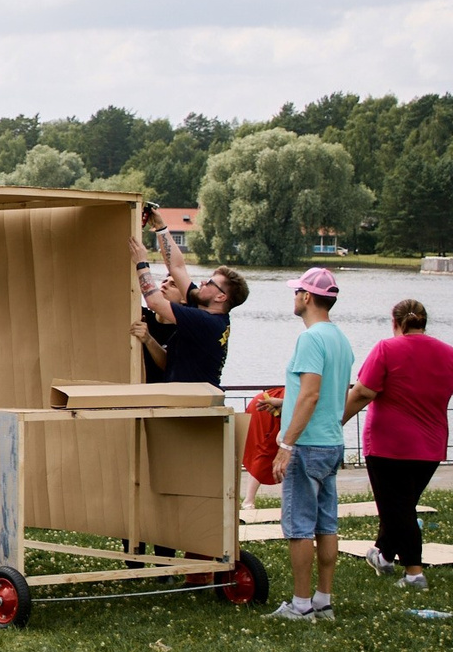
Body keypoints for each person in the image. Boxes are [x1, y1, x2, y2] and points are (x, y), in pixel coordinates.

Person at [344, 300, 453, 589]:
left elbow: (363, 391)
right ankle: (384, 554)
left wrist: (336, 421)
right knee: (401, 505)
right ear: (424, 322)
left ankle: (414, 573)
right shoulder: (449, 353)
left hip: (388, 444)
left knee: (399, 510)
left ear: (395, 322)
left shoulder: (386, 349)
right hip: (430, 446)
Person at [269, 269, 354, 623]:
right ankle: (323, 600)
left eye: (296, 293)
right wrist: (280, 405)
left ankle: (300, 605)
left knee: (299, 526)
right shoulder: (340, 338)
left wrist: (286, 444)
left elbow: (311, 394)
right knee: (326, 524)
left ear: (306, 297)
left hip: (307, 445)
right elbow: (329, 392)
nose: (294, 299)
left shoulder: (310, 339)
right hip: (332, 442)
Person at [130, 232, 248, 385]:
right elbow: (177, 267)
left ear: (220, 297)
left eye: (210, 283)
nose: (203, 282)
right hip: (191, 397)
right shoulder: (204, 309)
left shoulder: (205, 322)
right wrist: (160, 227)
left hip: (196, 403)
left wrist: (141, 262)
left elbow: (154, 302)